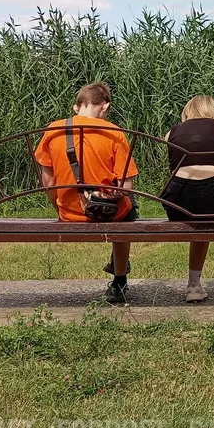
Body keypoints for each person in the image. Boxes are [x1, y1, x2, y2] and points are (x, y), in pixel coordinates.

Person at [34, 81, 138, 305]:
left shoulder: (53, 130)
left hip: (70, 213)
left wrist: (60, 208)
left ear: (76, 107)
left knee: (126, 209)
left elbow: (48, 182)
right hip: (110, 215)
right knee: (130, 209)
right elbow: (125, 188)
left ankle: (117, 268)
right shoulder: (115, 133)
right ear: (105, 107)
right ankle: (119, 280)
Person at [160, 95, 214, 302]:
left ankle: (194, 286)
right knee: (212, 205)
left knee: (200, 212)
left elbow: (174, 170)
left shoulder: (170, 132)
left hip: (178, 202)